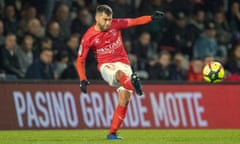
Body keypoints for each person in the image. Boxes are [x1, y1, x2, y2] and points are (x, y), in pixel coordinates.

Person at [76, 5, 164, 140]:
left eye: (109, 19)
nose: (107, 23)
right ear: (97, 18)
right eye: (105, 19)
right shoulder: (88, 37)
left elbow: (134, 21)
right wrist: (82, 79)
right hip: (106, 66)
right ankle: (135, 85)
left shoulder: (116, 24)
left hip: (124, 63)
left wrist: (151, 18)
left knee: (124, 99)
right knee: (119, 74)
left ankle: (112, 133)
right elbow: (80, 60)